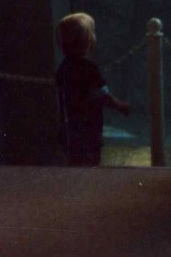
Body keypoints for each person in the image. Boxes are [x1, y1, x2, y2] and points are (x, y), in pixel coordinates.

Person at [55, 12, 131, 166]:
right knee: (91, 159)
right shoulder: (90, 69)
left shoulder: (63, 68)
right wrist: (120, 105)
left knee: (74, 160)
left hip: (70, 126)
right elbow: (103, 95)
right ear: (88, 40)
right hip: (90, 126)